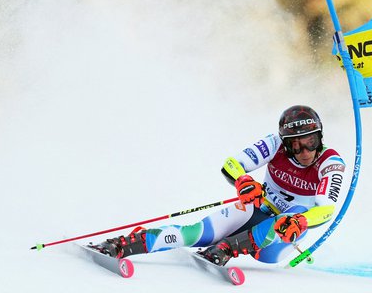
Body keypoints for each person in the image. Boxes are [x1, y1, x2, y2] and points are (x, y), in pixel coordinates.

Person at [92, 105, 346, 265]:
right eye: (295, 144)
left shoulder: (330, 162)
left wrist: (301, 221)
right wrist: (244, 181)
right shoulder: (274, 143)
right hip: (260, 211)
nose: (304, 151)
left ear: (319, 138)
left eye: (310, 142)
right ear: (285, 142)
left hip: (280, 240)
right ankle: (124, 244)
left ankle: (227, 248)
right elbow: (232, 164)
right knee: (197, 232)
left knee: (291, 219)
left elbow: (326, 210)